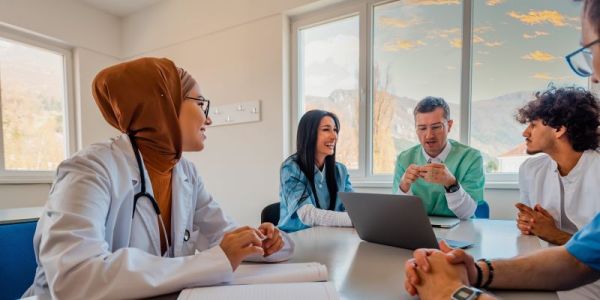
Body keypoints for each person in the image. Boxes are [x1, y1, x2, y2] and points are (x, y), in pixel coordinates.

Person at [23, 57, 294, 299]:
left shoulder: (185, 173)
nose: (208, 119)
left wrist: (266, 241)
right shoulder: (89, 169)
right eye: (201, 103)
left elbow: (224, 237)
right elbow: (74, 279)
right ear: (163, 106)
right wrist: (213, 261)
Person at [403, 0, 600, 298]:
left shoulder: (469, 158)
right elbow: (576, 259)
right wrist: (475, 271)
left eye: (591, 51)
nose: (594, 75)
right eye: (421, 128)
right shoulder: (533, 170)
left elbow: (574, 256)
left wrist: (452, 292)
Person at [516, 86, 600, 245]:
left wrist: (555, 234)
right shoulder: (530, 169)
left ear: (559, 129)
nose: (525, 133)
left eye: (533, 125)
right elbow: (531, 225)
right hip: (551, 261)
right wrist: (528, 223)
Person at [392, 97, 485, 220]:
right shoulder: (404, 159)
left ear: (449, 126)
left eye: (436, 127)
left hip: (460, 232)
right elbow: (399, 213)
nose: (429, 135)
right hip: (418, 231)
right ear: (416, 129)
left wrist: (451, 183)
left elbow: (467, 214)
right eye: (422, 128)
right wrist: (404, 186)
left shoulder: (471, 158)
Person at [278, 110, 353, 233]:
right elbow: (307, 215)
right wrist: (352, 220)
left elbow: (353, 208)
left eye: (335, 130)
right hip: (296, 241)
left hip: (329, 238)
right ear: (309, 134)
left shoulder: (341, 170)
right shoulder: (290, 168)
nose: (334, 136)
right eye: (326, 129)